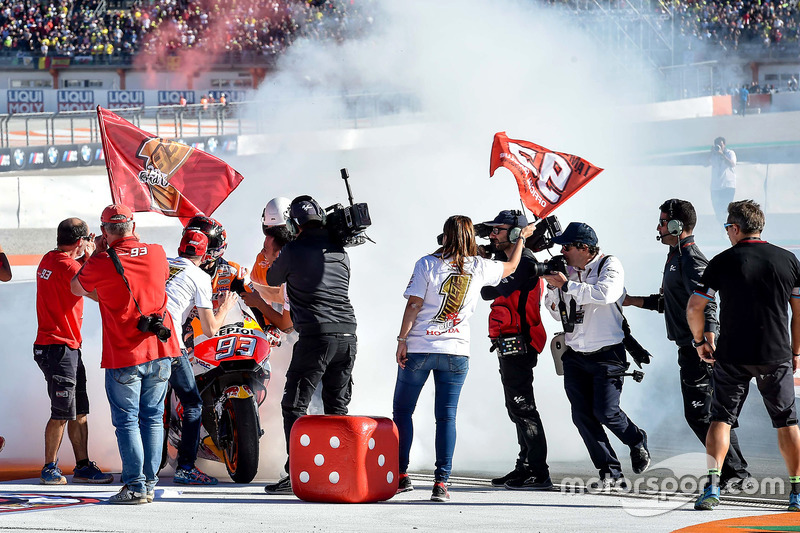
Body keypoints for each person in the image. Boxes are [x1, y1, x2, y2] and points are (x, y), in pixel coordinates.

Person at [394, 215, 535, 502]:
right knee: (446, 417)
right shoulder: (480, 266)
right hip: (456, 351)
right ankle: (441, 483)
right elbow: (512, 266)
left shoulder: (427, 264)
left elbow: (414, 304)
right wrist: (521, 238)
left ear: (445, 236)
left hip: (421, 347)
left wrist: (402, 339)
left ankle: (401, 476)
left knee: (403, 412)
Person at [624, 199, 751, 490]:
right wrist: (633, 301)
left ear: (677, 225)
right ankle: (735, 473)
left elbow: (707, 302)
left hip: (700, 350)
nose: (658, 227)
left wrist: (707, 340)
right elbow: (667, 303)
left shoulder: (690, 259)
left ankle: (736, 474)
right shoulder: (674, 258)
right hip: (690, 348)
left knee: (702, 413)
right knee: (709, 413)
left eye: (662, 221)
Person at [688, 200, 800, 512]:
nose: (726, 233)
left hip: (732, 354)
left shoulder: (722, 261)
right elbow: (799, 311)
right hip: (775, 352)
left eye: (727, 228)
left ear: (736, 228)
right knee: (786, 421)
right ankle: (796, 494)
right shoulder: (788, 260)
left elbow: (694, 307)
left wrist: (700, 342)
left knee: (721, 419)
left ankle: (712, 488)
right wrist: (795, 351)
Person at [71, 204, 180, 504]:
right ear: (133, 226)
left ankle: (134, 485)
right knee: (153, 419)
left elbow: (75, 286)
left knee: (128, 422)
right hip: (160, 351)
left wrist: (97, 254)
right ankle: (148, 484)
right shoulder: (158, 252)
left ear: (104, 231)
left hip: (125, 356)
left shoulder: (102, 262)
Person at [542, 222, 650, 490]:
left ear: (584, 248)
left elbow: (605, 294)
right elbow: (556, 313)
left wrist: (568, 285)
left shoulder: (608, 265)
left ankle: (636, 439)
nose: (562, 251)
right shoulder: (564, 272)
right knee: (582, 416)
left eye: (567, 247)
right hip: (575, 353)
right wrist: (554, 288)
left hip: (607, 353)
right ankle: (610, 473)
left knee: (606, 411)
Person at [263, 195, 358, 495]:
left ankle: (299, 473)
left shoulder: (293, 249)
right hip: (349, 334)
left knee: (294, 405)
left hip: (316, 336)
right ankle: (337, 471)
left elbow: (271, 276)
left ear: (294, 224)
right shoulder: (341, 251)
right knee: (337, 407)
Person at [34, 218, 113, 485]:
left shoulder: (50, 258)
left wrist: (90, 255)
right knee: (62, 411)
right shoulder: (69, 266)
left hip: (65, 346)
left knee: (79, 410)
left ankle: (82, 465)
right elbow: (98, 294)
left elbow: (76, 271)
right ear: (80, 242)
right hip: (58, 348)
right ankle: (49, 467)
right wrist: (94, 256)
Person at [478, 210, 551, 491]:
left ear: (515, 233)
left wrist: (486, 264)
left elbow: (487, 292)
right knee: (516, 408)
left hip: (520, 342)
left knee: (523, 407)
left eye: (498, 230)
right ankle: (525, 466)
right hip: (508, 342)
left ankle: (539, 472)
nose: (493, 235)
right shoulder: (509, 261)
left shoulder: (524, 263)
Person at [164, 230, 236, 485]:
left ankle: (141, 472)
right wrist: (226, 307)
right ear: (205, 254)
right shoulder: (200, 276)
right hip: (170, 341)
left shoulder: (161, 262)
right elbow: (211, 329)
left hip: (139, 338)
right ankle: (185, 467)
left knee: (146, 408)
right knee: (193, 404)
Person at [709, 137, 736, 226]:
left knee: (726, 209)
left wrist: (722, 155)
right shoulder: (713, 155)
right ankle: (721, 225)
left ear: (724, 144)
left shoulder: (729, 153)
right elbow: (705, 163)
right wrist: (711, 153)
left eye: (721, 145)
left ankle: (726, 227)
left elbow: (732, 164)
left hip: (728, 185)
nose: (719, 147)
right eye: (717, 145)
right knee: (717, 208)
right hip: (716, 187)